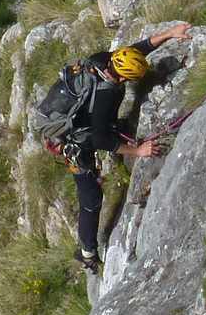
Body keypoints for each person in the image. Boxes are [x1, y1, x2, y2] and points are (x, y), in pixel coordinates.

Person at [62, 22, 192, 272]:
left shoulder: (103, 60)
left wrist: (169, 34)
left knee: (95, 172)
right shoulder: (105, 96)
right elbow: (99, 140)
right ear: (122, 77)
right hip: (78, 143)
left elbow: (136, 50)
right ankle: (87, 253)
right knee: (91, 196)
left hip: (90, 122)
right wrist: (137, 151)